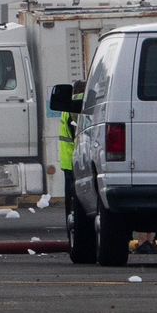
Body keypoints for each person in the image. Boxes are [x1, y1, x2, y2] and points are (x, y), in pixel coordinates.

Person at [58, 80, 85, 237]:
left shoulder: (67, 106)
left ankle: (72, 233)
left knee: (71, 203)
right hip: (77, 161)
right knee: (79, 202)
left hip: (67, 160)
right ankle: (78, 233)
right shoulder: (79, 104)